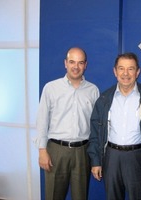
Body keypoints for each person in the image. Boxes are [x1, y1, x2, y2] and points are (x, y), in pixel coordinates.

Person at [87, 52, 141, 200]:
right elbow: (95, 132)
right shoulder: (104, 99)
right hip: (111, 157)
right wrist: (96, 161)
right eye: (121, 68)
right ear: (115, 71)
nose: (125, 73)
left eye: (131, 69)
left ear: (138, 72)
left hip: (137, 157)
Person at [34, 47, 100, 200]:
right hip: (56, 151)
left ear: (85, 65)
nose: (76, 67)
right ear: (65, 63)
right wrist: (42, 150)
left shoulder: (93, 91)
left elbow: (96, 126)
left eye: (80, 63)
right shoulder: (51, 88)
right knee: (53, 195)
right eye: (72, 62)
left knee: (80, 196)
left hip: (83, 152)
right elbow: (42, 120)